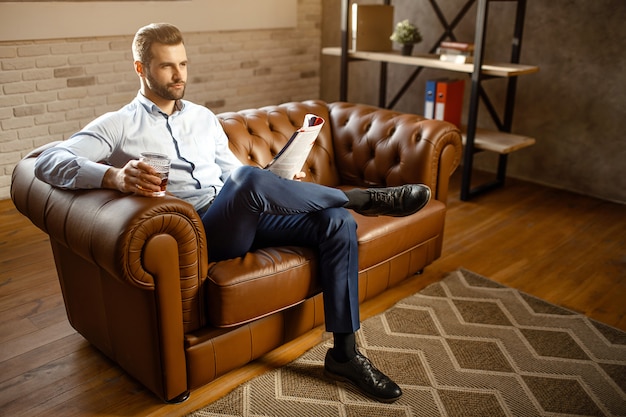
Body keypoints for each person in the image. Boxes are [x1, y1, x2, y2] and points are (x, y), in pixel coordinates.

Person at [34, 23, 431, 403]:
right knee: (251, 181)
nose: (179, 74)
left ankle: (344, 354)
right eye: (167, 65)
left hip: (244, 214)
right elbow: (48, 160)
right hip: (204, 232)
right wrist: (116, 177)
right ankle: (363, 199)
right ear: (140, 69)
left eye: (183, 64)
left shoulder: (202, 118)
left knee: (335, 221)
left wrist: (280, 179)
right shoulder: (120, 125)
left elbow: (234, 178)